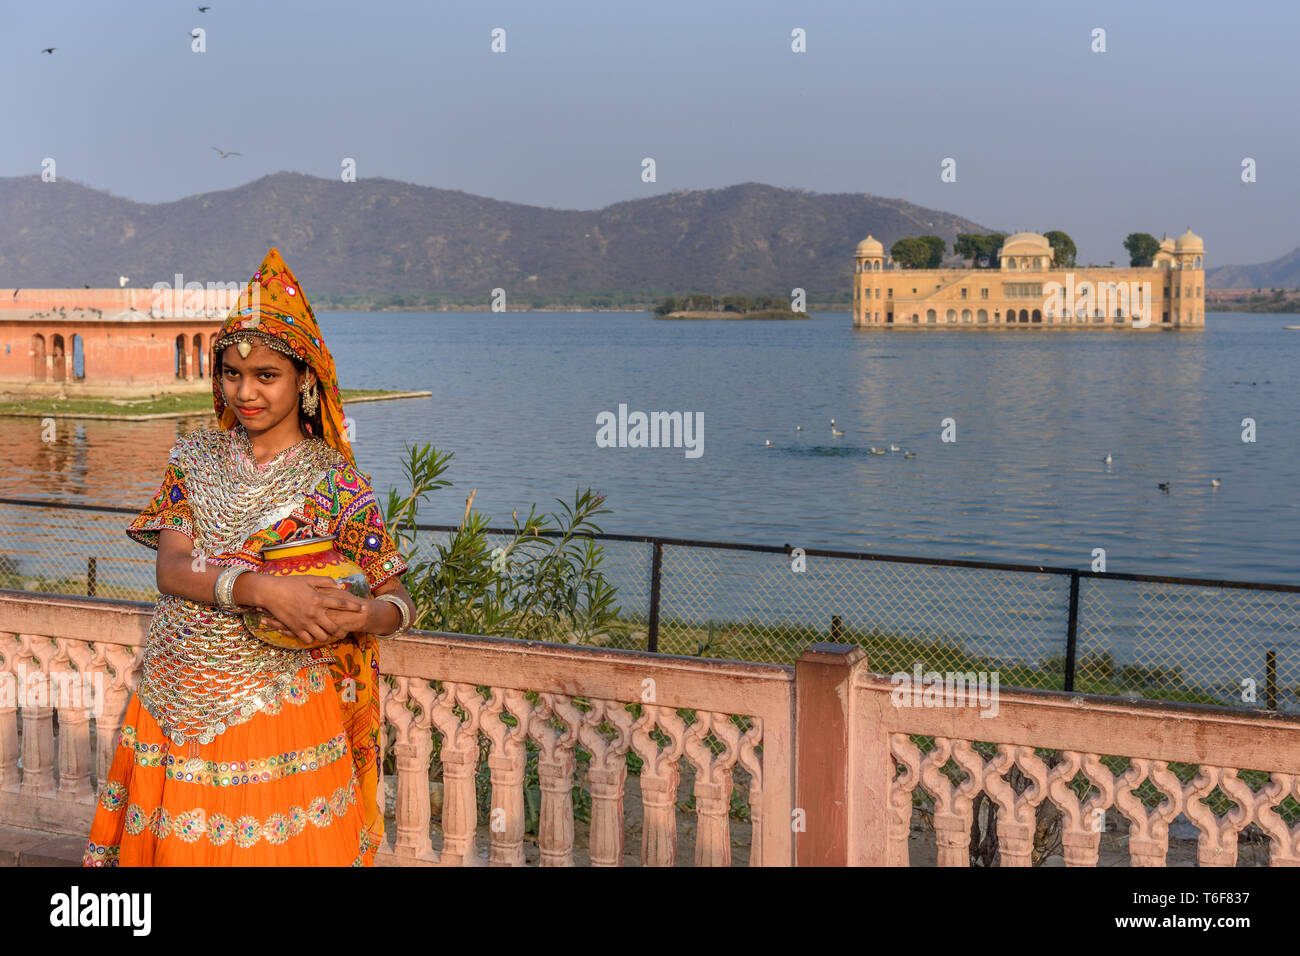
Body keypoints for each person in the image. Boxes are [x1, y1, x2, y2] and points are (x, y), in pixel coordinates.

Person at [82, 248, 415, 866]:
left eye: (267, 375)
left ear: (305, 381)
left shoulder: (336, 482)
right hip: (172, 697)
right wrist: (263, 590)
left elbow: (397, 593)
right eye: (232, 374)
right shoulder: (194, 457)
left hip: (279, 708)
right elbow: (172, 569)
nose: (246, 391)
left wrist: (362, 618)